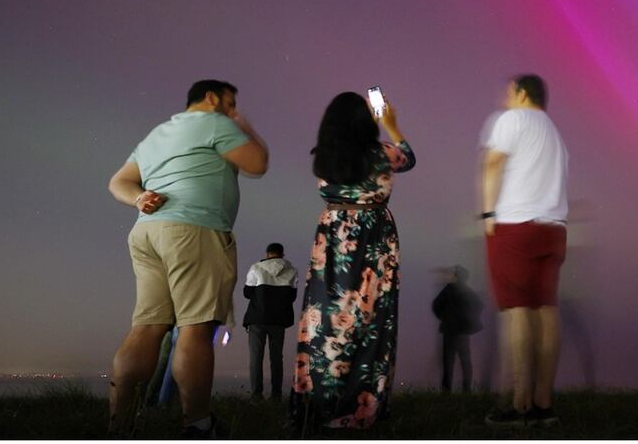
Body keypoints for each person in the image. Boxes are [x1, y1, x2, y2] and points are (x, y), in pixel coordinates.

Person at [106, 79, 269, 438]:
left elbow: (118, 181)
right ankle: (197, 424)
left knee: (147, 328)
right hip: (195, 230)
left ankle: (120, 425)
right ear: (211, 98)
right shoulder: (217, 123)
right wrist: (244, 127)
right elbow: (258, 163)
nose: (232, 110)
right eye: (229, 103)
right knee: (195, 329)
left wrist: (138, 198)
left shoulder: (156, 135)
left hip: (147, 232)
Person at [290, 92, 415, 431]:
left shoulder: (324, 159)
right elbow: (409, 157)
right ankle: (361, 406)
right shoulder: (382, 154)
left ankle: (318, 403)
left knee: (326, 318)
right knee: (372, 319)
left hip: (332, 239)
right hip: (374, 238)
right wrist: (390, 123)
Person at [480, 74, 569, 428]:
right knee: (546, 310)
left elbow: (493, 164)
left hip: (516, 225)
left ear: (522, 93)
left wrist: (488, 213)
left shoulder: (512, 119)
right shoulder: (555, 133)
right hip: (554, 228)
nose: (505, 95)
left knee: (517, 310)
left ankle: (518, 404)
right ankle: (543, 403)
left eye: (509, 90)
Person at [243, 242, 299, 400]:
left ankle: (256, 395)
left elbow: (247, 293)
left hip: (257, 319)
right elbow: (292, 297)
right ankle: (276, 395)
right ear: (282, 254)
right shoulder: (292, 271)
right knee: (276, 358)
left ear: (267, 254)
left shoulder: (256, 268)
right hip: (279, 320)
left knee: (255, 358)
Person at [431, 265, 484, 392]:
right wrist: (470, 319)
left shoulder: (448, 290)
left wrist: (444, 317)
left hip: (449, 330)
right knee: (465, 361)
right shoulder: (468, 292)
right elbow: (479, 306)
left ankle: (446, 390)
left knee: (448, 362)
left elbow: (436, 305)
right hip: (463, 331)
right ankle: (466, 389)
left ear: (456, 276)